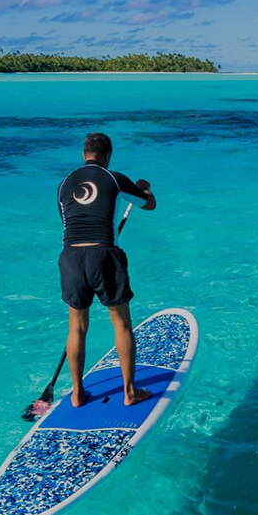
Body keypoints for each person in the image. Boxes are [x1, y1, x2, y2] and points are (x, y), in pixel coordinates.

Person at [56, 132, 156, 407]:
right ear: (108, 155)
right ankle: (130, 392)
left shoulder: (64, 184)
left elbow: (70, 223)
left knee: (76, 328)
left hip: (70, 257)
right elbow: (149, 204)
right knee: (121, 323)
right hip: (104, 254)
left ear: (84, 154)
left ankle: (77, 393)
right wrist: (143, 189)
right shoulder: (114, 178)